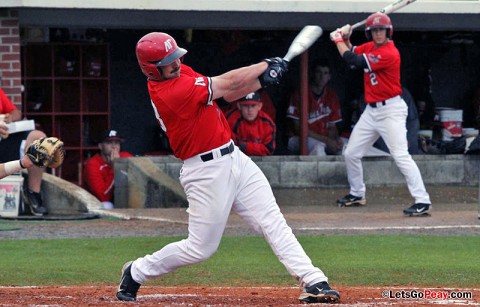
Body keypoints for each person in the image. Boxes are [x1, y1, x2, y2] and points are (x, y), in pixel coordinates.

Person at [115, 32, 340, 304]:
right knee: (200, 249)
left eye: (175, 56)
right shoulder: (170, 91)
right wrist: (265, 65)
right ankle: (137, 271)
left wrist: (262, 79)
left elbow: (225, 94)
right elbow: (227, 81)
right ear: (151, 68)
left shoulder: (178, 73)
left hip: (234, 157)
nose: (176, 63)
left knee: (272, 220)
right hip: (205, 172)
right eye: (168, 61)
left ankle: (313, 280)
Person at [329, 13, 432, 216]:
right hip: (371, 111)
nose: (378, 33)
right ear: (370, 33)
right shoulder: (370, 47)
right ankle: (357, 193)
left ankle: (422, 200)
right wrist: (347, 39)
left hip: (391, 110)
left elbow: (354, 61)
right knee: (351, 153)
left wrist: (338, 40)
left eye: (381, 30)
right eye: (375, 30)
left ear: (388, 31)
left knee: (401, 156)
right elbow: (353, 53)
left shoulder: (389, 52)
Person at [0, 88, 48, 216]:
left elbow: (16, 113)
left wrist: (9, 118)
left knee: (39, 138)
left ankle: (34, 193)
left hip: (3, 138)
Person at [286, 59, 343, 156]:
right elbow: (298, 128)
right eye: (319, 72)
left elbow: (332, 127)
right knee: (319, 149)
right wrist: (327, 140)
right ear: (313, 74)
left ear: (329, 77)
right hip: (297, 138)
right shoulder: (300, 94)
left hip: (323, 139)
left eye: (325, 73)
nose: (322, 77)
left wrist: (336, 139)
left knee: (345, 148)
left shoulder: (331, 96)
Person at [83, 129, 133, 209]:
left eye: (117, 143)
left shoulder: (125, 156)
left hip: (121, 201)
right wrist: (116, 167)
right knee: (106, 206)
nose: (114, 146)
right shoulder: (93, 164)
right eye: (109, 143)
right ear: (100, 146)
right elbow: (103, 197)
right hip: (96, 204)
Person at [226, 91, 276, 156]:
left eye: (253, 105)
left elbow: (269, 150)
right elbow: (229, 148)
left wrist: (245, 147)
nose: (250, 110)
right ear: (239, 106)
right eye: (246, 106)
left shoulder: (267, 123)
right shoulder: (230, 120)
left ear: (260, 106)